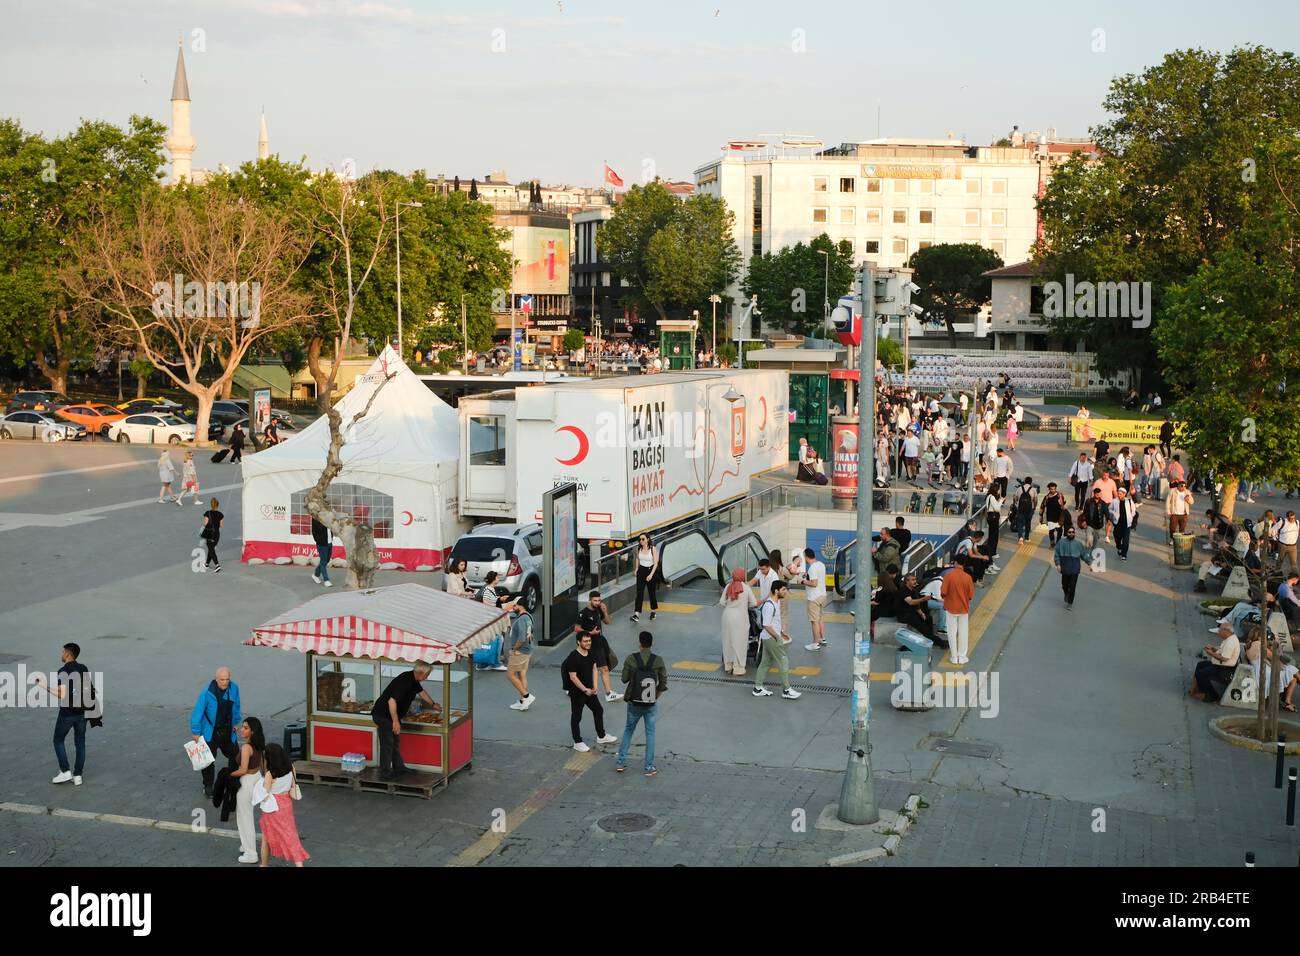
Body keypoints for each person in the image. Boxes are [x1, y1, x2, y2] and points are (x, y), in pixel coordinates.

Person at [33, 643, 96, 786]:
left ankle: (65, 771)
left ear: (68, 653)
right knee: (80, 742)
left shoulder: (63, 670)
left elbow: (62, 694)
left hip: (68, 713)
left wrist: (43, 686)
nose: (61, 654)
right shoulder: (83, 668)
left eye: (63, 651)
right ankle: (78, 775)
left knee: (58, 740)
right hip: (83, 712)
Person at [616, 631, 668, 776]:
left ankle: (620, 762)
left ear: (639, 643)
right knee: (650, 733)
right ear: (652, 644)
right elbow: (663, 682)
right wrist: (656, 695)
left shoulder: (631, 659)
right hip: (650, 703)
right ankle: (648, 767)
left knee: (628, 730)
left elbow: (624, 679)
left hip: (634, 702)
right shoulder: (658, 660)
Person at [371, 663, 436, 779]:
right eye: (427, 674)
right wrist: (395, 722)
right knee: (388, 743)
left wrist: (433, 704)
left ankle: (399, 768)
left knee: (395, 742)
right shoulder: (405, 681)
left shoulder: (413, 680)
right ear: (421, 673)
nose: (428, 677)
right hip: (383, 715)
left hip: (391, 716)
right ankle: (385, 772)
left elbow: (422, 693)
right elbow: (391, 701)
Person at [190, 666, 241, 797]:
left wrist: (236, 722)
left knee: (236, 756)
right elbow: (198, 712)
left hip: (228, 730)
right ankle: (208, 786)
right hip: (210, 732)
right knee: (208, 761)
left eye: (227, 679)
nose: (225, 682)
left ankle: (232, 781)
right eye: (222, 679)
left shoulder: (234, 688)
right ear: (216, 679)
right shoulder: (207, 692)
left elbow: (236, 706)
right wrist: (196, 731)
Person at [564, 632, 619, 751]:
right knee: (577, 716)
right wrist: (584, 689)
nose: (588, 643)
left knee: (598, 709)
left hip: (590, 690)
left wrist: (594, 687)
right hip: (578, 692)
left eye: (589, 641)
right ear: (578, 642)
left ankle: (601, 736)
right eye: (585, 641)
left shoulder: (591, 653)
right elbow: (573, 677)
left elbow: (594, 669)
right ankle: (577, 742)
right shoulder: (573, 657)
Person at [256, 744, 309, 867]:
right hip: (286, 805)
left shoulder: (270, 774)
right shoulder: (291, 768)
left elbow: (265, 793)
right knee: (291, 836)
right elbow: (293, 785)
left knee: (266, 838)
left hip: (272, 808)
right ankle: (299, 865)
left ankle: (264, 865)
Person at [753, 582, 800, 699]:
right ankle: (786, 690)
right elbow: (767, 625)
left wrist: (782, 632)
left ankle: (758, 688)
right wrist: (777, 637)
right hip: (771, 637)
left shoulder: (776, 602)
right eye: (783, 590)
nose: (785, 592)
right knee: (783, 661)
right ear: (776, 591)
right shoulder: (769, 605)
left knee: (765, 663)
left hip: (768, 637)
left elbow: (774, 622)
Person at [231, 717, 266, 864]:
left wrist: (228, 775)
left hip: (246, 783)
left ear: (252, 731)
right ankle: (246, 844)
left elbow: (243, 770)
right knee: (247, 815)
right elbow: (263, 765)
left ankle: (251, 853)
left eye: (245, 728)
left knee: (244, 818)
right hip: (257, 778)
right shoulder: (258, 744)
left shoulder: (246, 748)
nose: (241, 729)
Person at [576, 590, 621, 701]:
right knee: (585, 669)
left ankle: (609, 693)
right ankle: (574, 687)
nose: (597, 602)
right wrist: (590, 633)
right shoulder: (583, 613)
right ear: (590, 600)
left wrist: (605, 612)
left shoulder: (599, 610)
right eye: (595, 600)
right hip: (588, 646)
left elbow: (607, 622)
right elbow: (576, 628)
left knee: (604, 669)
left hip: (599, 644)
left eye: (599, 600)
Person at [1189, 623, 1241, 703]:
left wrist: (1211, 653)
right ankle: (1199, 687)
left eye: (1220, 630)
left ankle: (1211, 695)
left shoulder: (1231, 642)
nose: (1218, 632)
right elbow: (1222, 652)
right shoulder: (1229, 638)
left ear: (1226, 631)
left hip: (1224, 669)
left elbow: (1224, 658)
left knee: (1201, 673)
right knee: (1200, 665)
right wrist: (1213, 649)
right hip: (1220, 664)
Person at [719, 567, 757, 676]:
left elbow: (722, 602)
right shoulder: (746, 588)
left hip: (727, 617)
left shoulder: (728, 586)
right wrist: (745, 604)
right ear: (742, 576)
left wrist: (729, 602)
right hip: (740, 618)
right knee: (739, 643)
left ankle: (728, 666)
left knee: (728, 642)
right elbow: (753, 603)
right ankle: (738, 668)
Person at [941, 555, 975, 666]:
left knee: (951, 632)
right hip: (964, 608)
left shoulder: (948, 576)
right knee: (963, 632)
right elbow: (971, 595)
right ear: (964, 564)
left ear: (955, 562)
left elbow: (943, 592)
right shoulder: (968, 577)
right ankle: (962, 656)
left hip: (951, 608)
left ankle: (954, 657)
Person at [505, 602, 536, 711]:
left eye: (515, 606)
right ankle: (523, 702)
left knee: (510, 675)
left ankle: (526, 696)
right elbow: (531, 632)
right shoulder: (529, 616)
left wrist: (514, 648)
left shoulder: (521, 620)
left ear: (521, 605)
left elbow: (521, 638)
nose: (513, 608)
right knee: (522, 674)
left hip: (520, 651)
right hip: (528, 650)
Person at [1053, 525, 1088, 609]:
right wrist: (1058, 564)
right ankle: (1066, 593)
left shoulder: (1078, 544)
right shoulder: (1061, 543)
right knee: (1064, 585)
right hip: (1065, 569)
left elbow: (1084, 555)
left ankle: (1070, 602)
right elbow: (1056, 554)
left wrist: (1090, 563)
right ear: (1066, 533)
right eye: (1070, 532)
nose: (1071, 534)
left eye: (1073, 532)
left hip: (1074, 569)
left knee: (1072, 586)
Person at [803, 547, 829, 652]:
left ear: (806, 556)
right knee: (820, 618)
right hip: (823, 595)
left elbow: (814, 583)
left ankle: (815, 643)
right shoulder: (821, 565)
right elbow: (818, 578)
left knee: (814, 621)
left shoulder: (812, 568)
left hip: (814, 598)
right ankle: (822, 638)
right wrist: (807, 575)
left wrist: (803, 581)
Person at [631, 533, 660, 623]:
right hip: (641, 571)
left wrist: (651, 574)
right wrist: (636, 569)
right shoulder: (639, 548)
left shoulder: (653, 549)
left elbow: (655, 563)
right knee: (639, 593)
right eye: (639, 539)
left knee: (651, 593)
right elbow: (637, 559)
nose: (641, 541)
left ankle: (653, 611)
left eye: (643, 539)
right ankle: (636, 614)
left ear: (648, 539)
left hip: (651, 570)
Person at [1109, 487, 1139, 561]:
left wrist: (1131, 517)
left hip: (1126, 524)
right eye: (1118, 494)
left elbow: (1133, 510)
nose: (1119, 495)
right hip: (1117, 523)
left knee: (1126, 541)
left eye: (1120, 494)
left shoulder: (1129, 501)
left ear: (1124, 494)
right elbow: (1109, 509)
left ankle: (1124, 555)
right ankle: (1119, 548)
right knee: (1117, 538)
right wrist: (1114, 513)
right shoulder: (1114, 501)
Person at [200, 498, 224, 572]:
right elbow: (221, 526)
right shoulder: (221, 514)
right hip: (217, 534)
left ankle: (217, 565)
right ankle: (206, 564)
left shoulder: (207, 513)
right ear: (217, 505)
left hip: (209, 534)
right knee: (211, 549)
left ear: (211, 505)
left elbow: (205, 523)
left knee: (211, 549)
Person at [310, 516, 335, 587]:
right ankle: (326, 580)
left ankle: (316, 575)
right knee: (323, 561)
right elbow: (319, 528)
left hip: (329, 542)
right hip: (322, 544)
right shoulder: (316, 518)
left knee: (326, 560)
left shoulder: (326, 516)